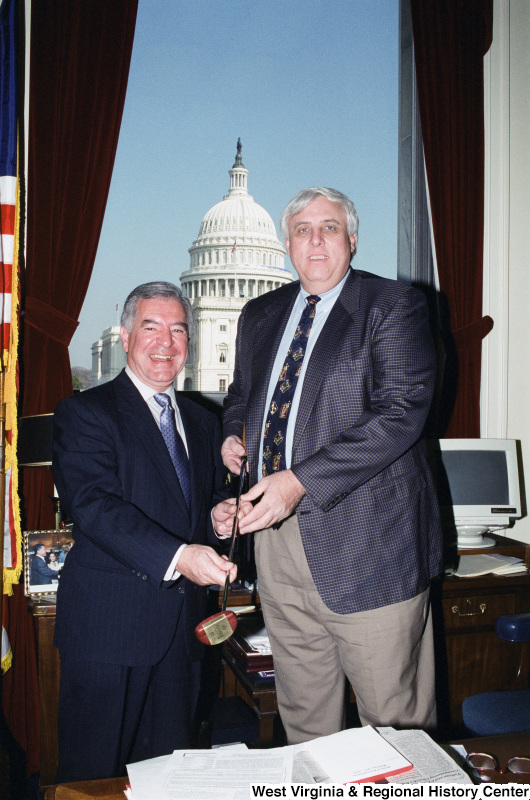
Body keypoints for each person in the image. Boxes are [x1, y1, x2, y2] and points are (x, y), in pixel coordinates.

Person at [213, 187, 443, 744]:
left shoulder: (391, 305)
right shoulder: (260, 313)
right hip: (279, 549)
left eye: (330, 227)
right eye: (302, 229)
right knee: (304, 717)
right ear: (287, 243)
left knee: (394, 730)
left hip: (371, 547)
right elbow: (243, 396)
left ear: (352, 239)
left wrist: (298, 482)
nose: (315, 240)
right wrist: (232, 436)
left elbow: (400, 415)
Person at [53, 281, 236, 782]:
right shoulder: (85, 412)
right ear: (125, 334)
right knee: (93, 776)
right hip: (108, 631)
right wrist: (181, 556)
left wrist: (219, 519)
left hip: (182, 635)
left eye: (178, 330)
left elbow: (192, 509)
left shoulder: (202, 423)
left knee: (169, 776)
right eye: (151, 327)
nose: (166, 342)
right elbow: (93, 507)